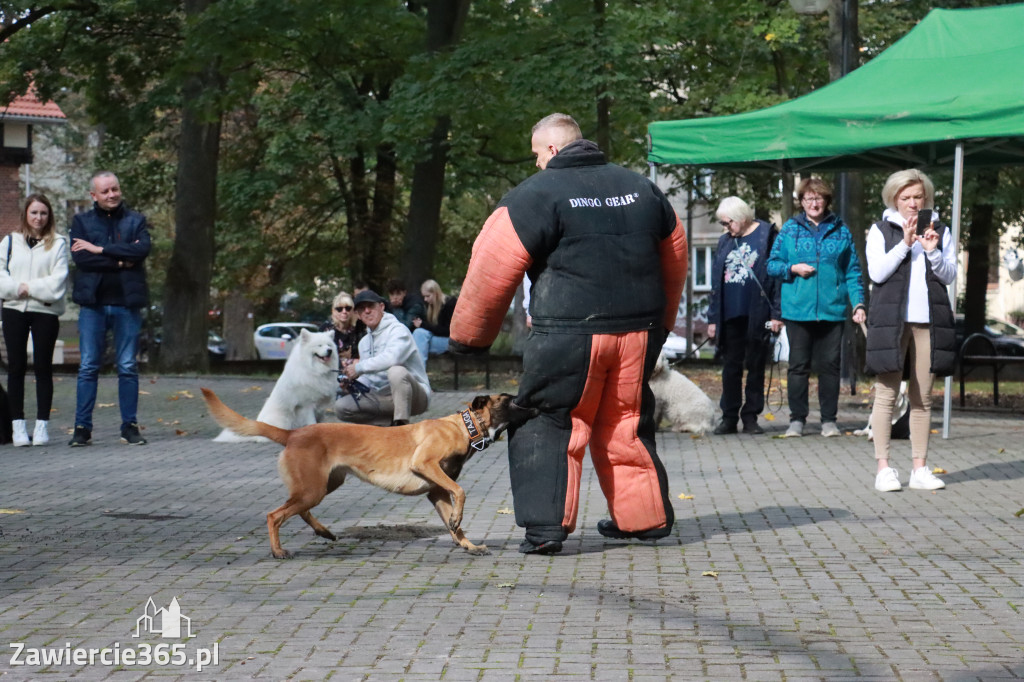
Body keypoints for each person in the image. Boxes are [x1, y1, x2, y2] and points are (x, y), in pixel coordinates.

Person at [449, 112, 688, 555]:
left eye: (538, 153)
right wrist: (662, 324)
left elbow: (492, 264)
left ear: (554, 149)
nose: (536, 163)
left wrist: (469, 338)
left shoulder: (535, 194)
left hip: (568, 334)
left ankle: (545, 530)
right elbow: (675, 255)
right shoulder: (641, 188)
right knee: (626, 423)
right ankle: (645, 520)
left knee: (549, 421)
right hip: (636, 332)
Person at [864, 169, 955, 492]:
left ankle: (919, 468)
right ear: (894, 199)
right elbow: (877, 272)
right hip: (891, 322)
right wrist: (904, 244)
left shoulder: (940, 230)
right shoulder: (880, 230)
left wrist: (931, 251)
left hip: (928, 320)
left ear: (926, 198)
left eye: (918, 197)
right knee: (886, 393)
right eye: (906, 198)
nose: (913, 203)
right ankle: (884, 468)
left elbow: (948, 275)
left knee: (923, 396)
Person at [767, 177, 866, 438]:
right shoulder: (789, 229)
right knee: (798, 366)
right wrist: (793, 268)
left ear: (826, 201)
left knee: (830, 367)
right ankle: (797, 420)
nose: (814, 203)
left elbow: (853, 271)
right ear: (801, 202)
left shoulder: (841, 230)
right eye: (808, 198)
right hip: (797, 310)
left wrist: (858, 303)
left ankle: (829, 421)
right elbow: (771, 265)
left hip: (832, 311)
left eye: (819, 198)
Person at [68, 171, 152, 446]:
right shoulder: (81, 221)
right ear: (94, 195)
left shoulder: (136, 220)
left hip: (127, 304)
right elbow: (82, 259)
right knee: (89, 366)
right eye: (105, 191)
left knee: (127, 366)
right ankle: (82, 428)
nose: (112, 194)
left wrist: (100, 250)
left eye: (114, 189)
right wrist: (119, 259)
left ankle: (129, 426)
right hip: (93, 305)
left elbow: (141, 252)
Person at [706, 197, 781, 436]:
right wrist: (712, 319)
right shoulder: (725, 241)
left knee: (756, 366)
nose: (725, 228)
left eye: (728, 223)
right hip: (730, 316)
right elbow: (715, 284)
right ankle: (729, 417)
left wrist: (777, 314)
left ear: (740, 218)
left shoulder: (766, 236)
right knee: (731, 368)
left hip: (758, 313)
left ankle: (751, 417)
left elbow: (776, 278)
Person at [0, 194, 70, 446]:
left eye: (43, 213)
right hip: (14, 310)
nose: (38, 217)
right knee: (16, 368)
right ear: (25, 215)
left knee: (43, 368)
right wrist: (16, 290)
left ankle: (42, 427)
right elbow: (1, 277)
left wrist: (25, 287)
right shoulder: (9, 242)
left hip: (45, 312)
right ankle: (18, 426)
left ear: (49, 215)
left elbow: (57, 282)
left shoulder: (59, 243)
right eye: (34, 213)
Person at [335, 289, 431, 426]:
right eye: (362, 309)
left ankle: (401, 426)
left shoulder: (398, 330)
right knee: (342, 407)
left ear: (381, 307)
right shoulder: (364, 343)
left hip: (414, 396)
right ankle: (385, 427)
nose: (367, 311)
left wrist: (359, 367)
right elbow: (369, 378)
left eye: (371, 306)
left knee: (396, 371)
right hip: (384, 397)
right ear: (358, 315)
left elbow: (393, 358)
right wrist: (351, 382)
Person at [412, 279, 456, 363]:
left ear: (436, 294)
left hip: (451, 342)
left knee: (419, 336)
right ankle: (418, 371)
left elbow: (447, 331)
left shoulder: (449, 304)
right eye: (424, 296)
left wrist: (423, 325)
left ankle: (418, 372)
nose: (425, 299)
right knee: (418, 334)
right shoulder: (431, 306)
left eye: (428, 296)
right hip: (439, 339)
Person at [319, 290, 362, 359]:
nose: (344, 312)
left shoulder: (358, 329)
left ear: (352, 310)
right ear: (333, 311)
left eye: (348, 308)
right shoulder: (325, 329)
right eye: (339, 309)